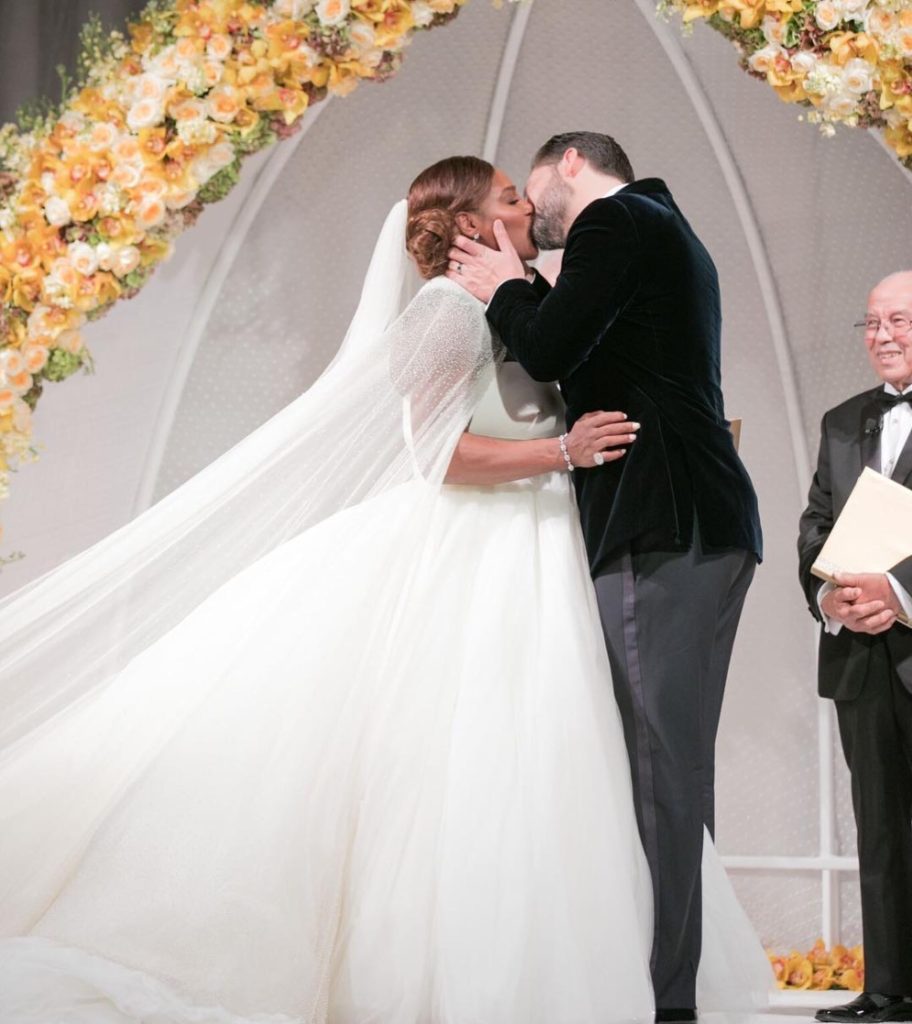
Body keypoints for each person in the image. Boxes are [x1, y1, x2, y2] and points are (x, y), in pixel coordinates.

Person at [0, 156, 768, 1023]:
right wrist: (561, 451)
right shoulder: (445, 311)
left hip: (543, 546)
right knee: (468, 761)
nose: (526, 208)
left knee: (562, 758)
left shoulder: (517, 301)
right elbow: (433, 453)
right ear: (473, 225)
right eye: (509, 198)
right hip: (481, 549)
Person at [448, 131, 763, 1024]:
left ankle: (663, 999)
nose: (532, 214)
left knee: (657, 769)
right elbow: (595, 346)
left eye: (531, 189)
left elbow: (549, 350)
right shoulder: (668, 230)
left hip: (660, 524)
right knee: (674, 767)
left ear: (572, 165)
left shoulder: (614, 221)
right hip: (707, 526)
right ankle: (672, 983)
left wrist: (504, 287)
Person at [798, 270, 912, 1024]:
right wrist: (829, 596)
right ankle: (890, 989)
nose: (882, 336)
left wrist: (899, 592)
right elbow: (815, 524)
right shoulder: (842, 421)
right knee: (879, 828)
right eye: (872, 323)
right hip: (861, 662)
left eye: (898, 320)